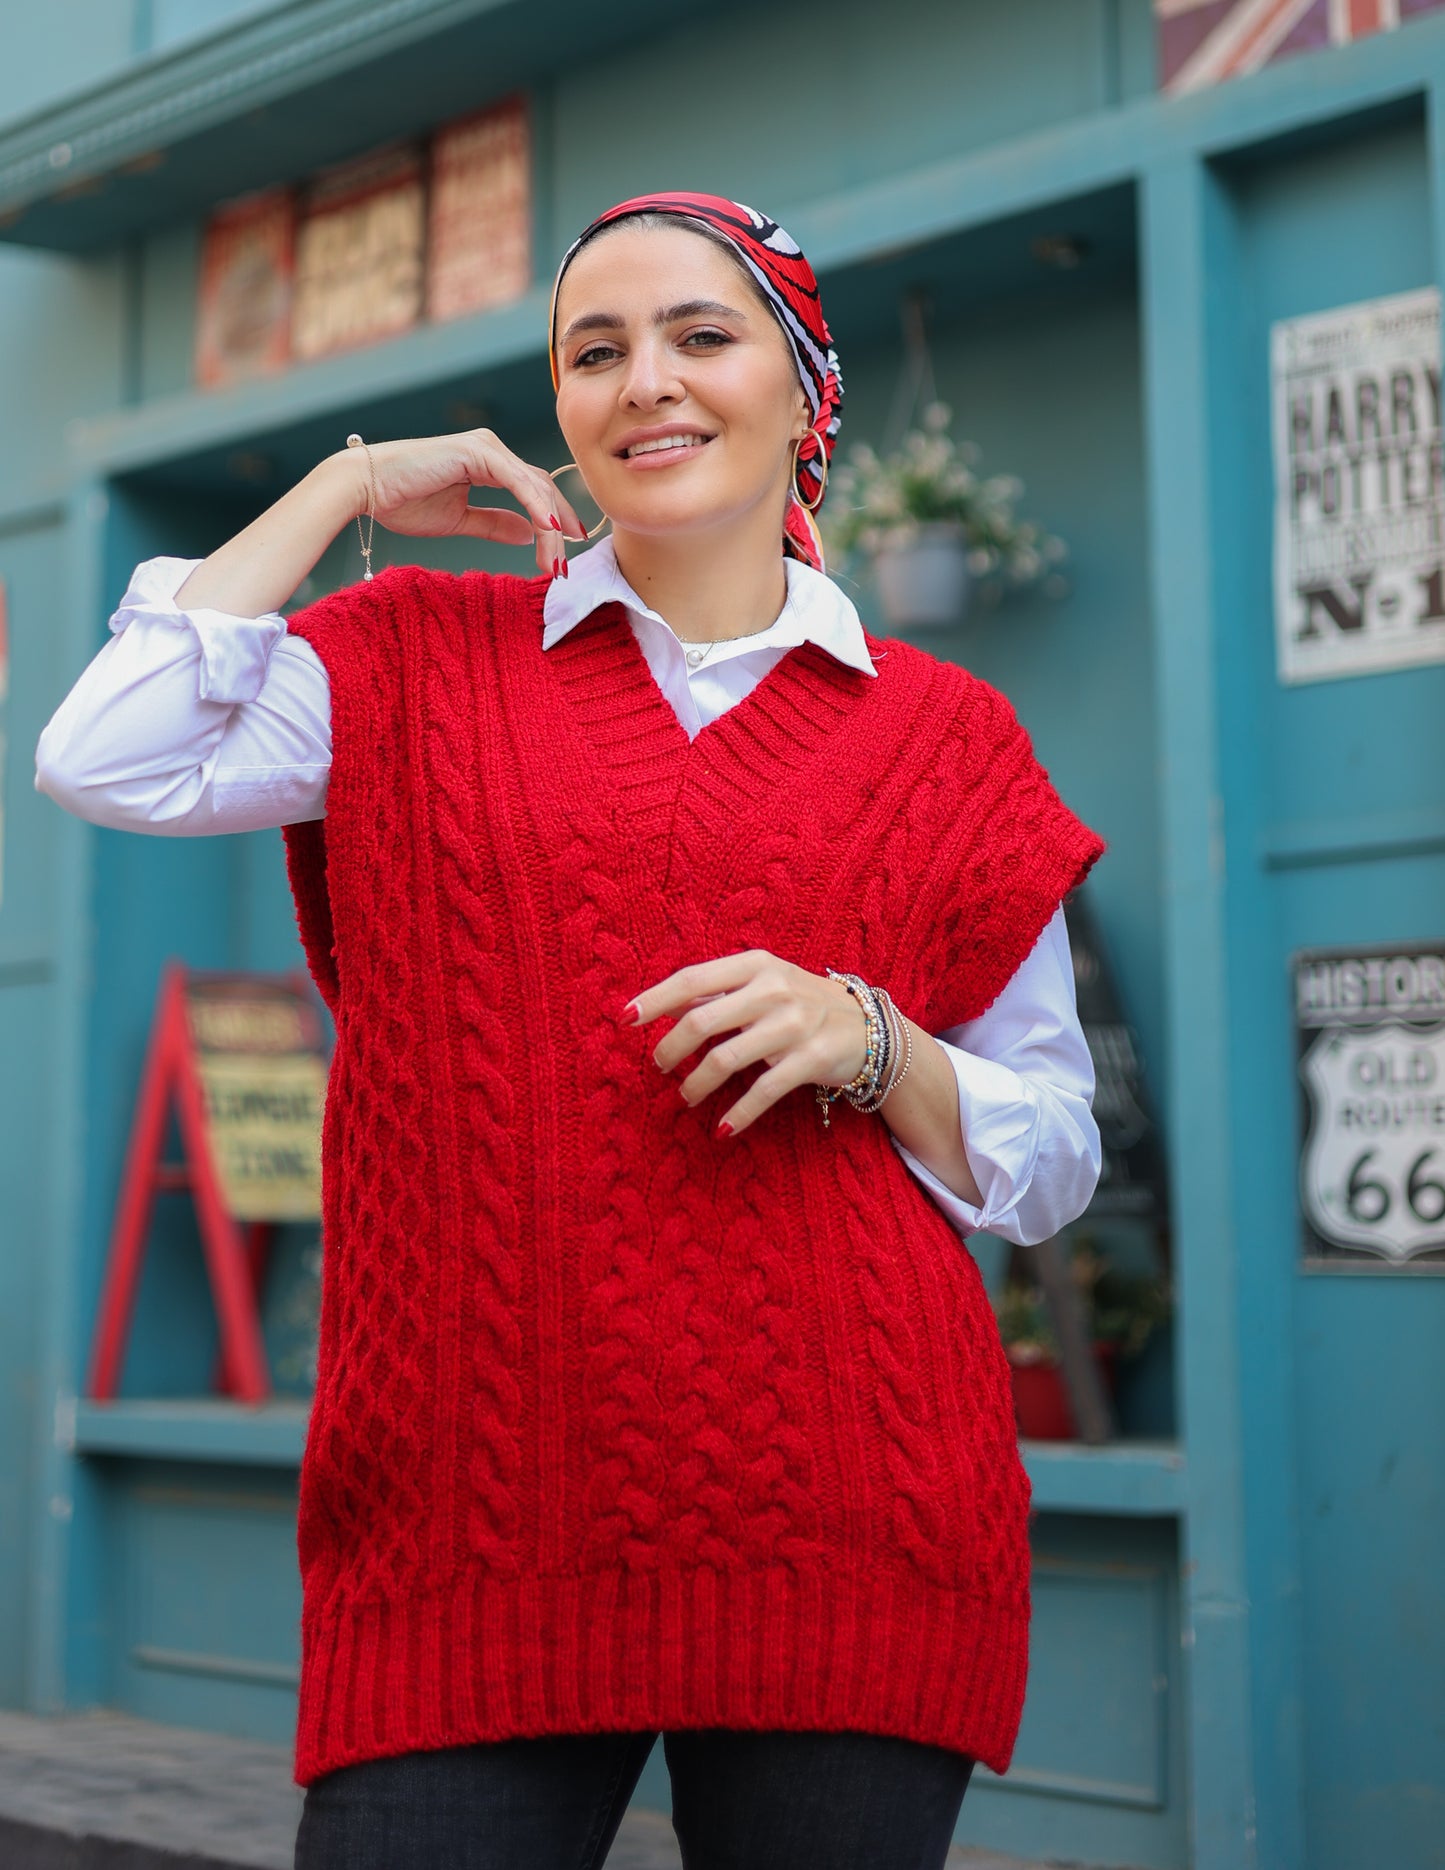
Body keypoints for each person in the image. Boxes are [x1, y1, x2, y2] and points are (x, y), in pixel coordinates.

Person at [35, 192, 1107, 1870]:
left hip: (848, 1520)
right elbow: (106, 754)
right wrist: (345, 486)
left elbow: (1049, 1160)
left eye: (701, 334)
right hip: (465, 1534)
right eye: (591, 352)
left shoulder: (945, 737)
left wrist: (873, 1040)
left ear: (805, 385)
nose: (644, 383)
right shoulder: (408, 657)